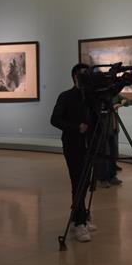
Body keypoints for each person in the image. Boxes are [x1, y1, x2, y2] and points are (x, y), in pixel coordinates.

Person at [50, 63, 95, 243]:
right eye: (83, 75)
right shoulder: (66, 96)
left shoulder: (91, 96)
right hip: (73, 144)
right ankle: (79, 223)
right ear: (75, 78)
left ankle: (81, 217)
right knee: (78, 182)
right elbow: (55, 119)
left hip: (89, 144)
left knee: (86, 182)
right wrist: (76, 127)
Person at [97, 93, 127, 188]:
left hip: (114, 129)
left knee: (114, 153)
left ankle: (112, 176)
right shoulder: (100, 95)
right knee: (105, 153)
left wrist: (121, 103)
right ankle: (103, 178)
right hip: (104, 129)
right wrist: (109, 109)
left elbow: (127, 101)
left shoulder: (115, 94)